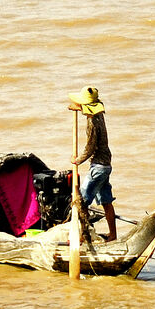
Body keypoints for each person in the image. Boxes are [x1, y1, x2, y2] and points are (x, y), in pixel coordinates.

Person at [67, 85, 116, 242]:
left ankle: (82, 236)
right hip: (106, 165)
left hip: (98, 168)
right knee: (106, 202)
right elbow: (90, 109)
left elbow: (90, 147)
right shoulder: (99, 116)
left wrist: (77, 160)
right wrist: (78, 107)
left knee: (81, 202)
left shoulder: (92, 124)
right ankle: (113, 235)